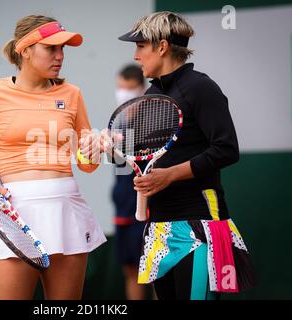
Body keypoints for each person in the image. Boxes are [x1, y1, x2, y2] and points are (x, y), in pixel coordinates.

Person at [88, 11, 256, 300]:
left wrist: (169, 175)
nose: (136, 55)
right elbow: (136, 155)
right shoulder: (149, 97)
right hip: (158, 227)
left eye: (141, 46)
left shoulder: (201, 88)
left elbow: (227, 149)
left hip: (200, 221)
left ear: (162, 47)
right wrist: (108, 146)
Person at [0, 15, 106, 300]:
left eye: (63, 48)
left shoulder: (72, 94)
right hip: (16, 213)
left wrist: (93, 150)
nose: (60, 56)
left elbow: (86, 165)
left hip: (67, 209)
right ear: (25, 50)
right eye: (51, 48)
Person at [111, 64, 152, 300]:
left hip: (149, 208)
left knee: (156, 271)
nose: (123, 93)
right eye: (120, 87)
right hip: (123, 205)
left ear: (141, 88)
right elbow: (117, 165)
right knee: (132, 270)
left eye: (129, 88)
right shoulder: (119, 123)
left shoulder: (154, 121)